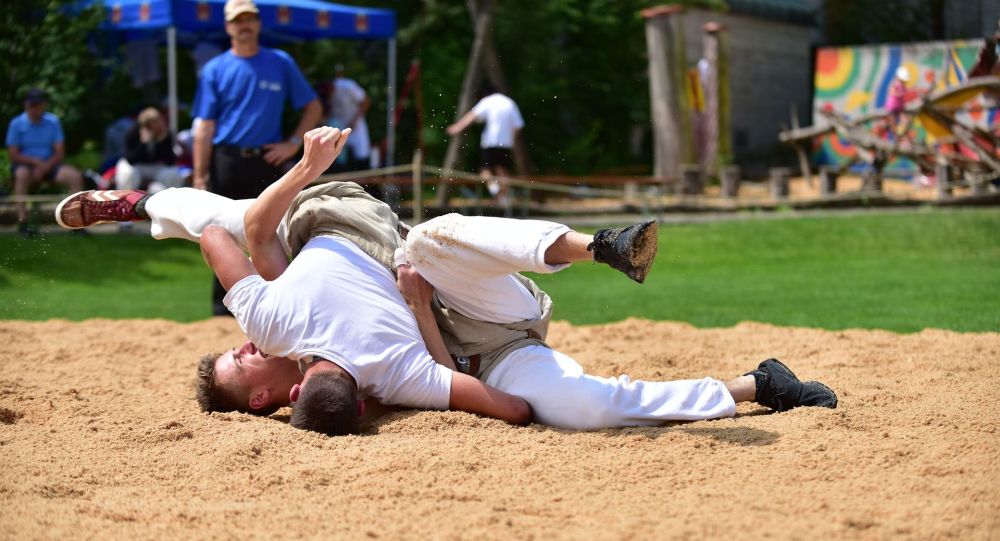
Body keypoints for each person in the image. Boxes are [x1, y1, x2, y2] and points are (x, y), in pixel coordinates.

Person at [54, 127, 837, 436]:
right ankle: (756, 384)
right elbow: (502, 403)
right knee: (578, 407)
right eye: (239, 360)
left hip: (360, 228)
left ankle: (601, 245)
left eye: (235, 348)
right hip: (480, 333)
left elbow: (234, 234)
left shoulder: (273, 319)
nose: (242, 345)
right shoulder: (375, 374)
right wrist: (423, 317)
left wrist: (305, 169)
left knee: (411, 239)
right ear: (270, 396)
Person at [192, 0, 322, 315]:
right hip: (228, 160)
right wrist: (199, 175)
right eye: (238, 20)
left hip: (268, 160)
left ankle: (279, 306)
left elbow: (313, 107)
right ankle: (223, 311)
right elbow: (204, 127)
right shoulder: (215, 69)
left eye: (250, 18)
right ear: (228, 27)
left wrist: (293, 144)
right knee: (223, 232)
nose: (244, 25)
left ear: (259, 23)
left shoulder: (280, 62)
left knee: (274, 232)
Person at [446, 84, 524, 204]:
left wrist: (457, 127)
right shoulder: (509, 102)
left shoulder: (487, 101)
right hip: (506, 143)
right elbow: (518, 126)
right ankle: (502, 199)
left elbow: (472, 116)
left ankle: (494, 190)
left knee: (485, 171)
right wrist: (511, 140)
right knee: (502, 171)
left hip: (490, 141)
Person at [115, 107, 184, 194]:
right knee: (128, 173)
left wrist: (160, 141)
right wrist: (143, 143)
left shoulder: (165, 134)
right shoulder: (133, 132)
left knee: (172, 173)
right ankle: (126, 197)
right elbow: (130, 159)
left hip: (155, 166)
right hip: (136, 165)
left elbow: (170, 161)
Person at [326, 64, 373, 175]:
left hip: (355, 124)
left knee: (362, 154)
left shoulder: (348, 86)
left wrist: (355, 121)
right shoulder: (326, 88)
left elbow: (366, 101)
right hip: (338, 124)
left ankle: (365, 182)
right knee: (338, 158)